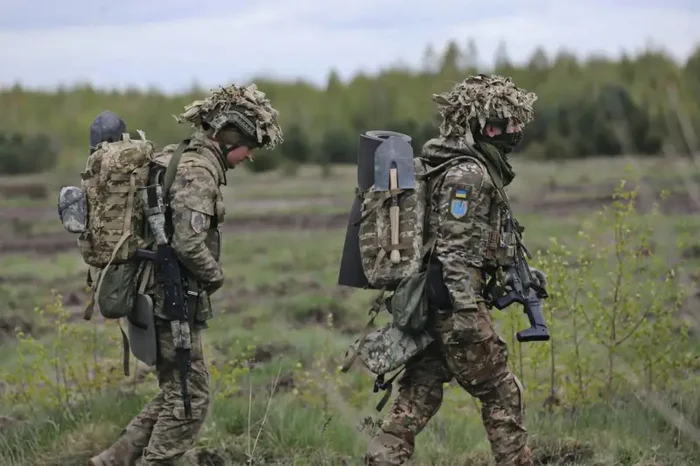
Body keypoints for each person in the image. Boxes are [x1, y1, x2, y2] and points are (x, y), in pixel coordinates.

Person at [89, 83, 283, 466]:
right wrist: (215, 276)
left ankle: (114, 459)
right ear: (230, 136)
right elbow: (189, 244)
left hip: (156, 292)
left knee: (176, 388)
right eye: (249, 147)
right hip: (168, 298)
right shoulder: (198, 171)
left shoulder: (180, 156)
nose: (248, 157)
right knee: (190, 398)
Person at [364, 74, 541, 466]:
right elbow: (455, 251)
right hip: (453, 307)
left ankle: (382, 459)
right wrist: (466, 313)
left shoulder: (461, 166)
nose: (514, 131)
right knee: (501, 392)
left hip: (434, 303)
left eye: (516, 122)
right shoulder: (468, 176)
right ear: (482, 126)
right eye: (504, 123)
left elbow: (476, 243)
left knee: (418, 394)